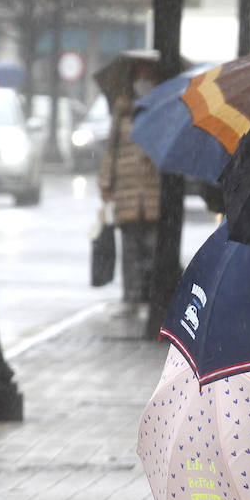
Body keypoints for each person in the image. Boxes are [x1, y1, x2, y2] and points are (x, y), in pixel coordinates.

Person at [98, 63, 162, 316]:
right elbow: (111, 151)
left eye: (147, 77)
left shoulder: (159, 110)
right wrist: (106, 184)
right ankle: (131, 298)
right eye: (139, 77)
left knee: (151, 248)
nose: (142, 82)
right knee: (130, 249)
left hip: (151, 191)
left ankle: (148, 296)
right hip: (126, 191)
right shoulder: (122, 112)